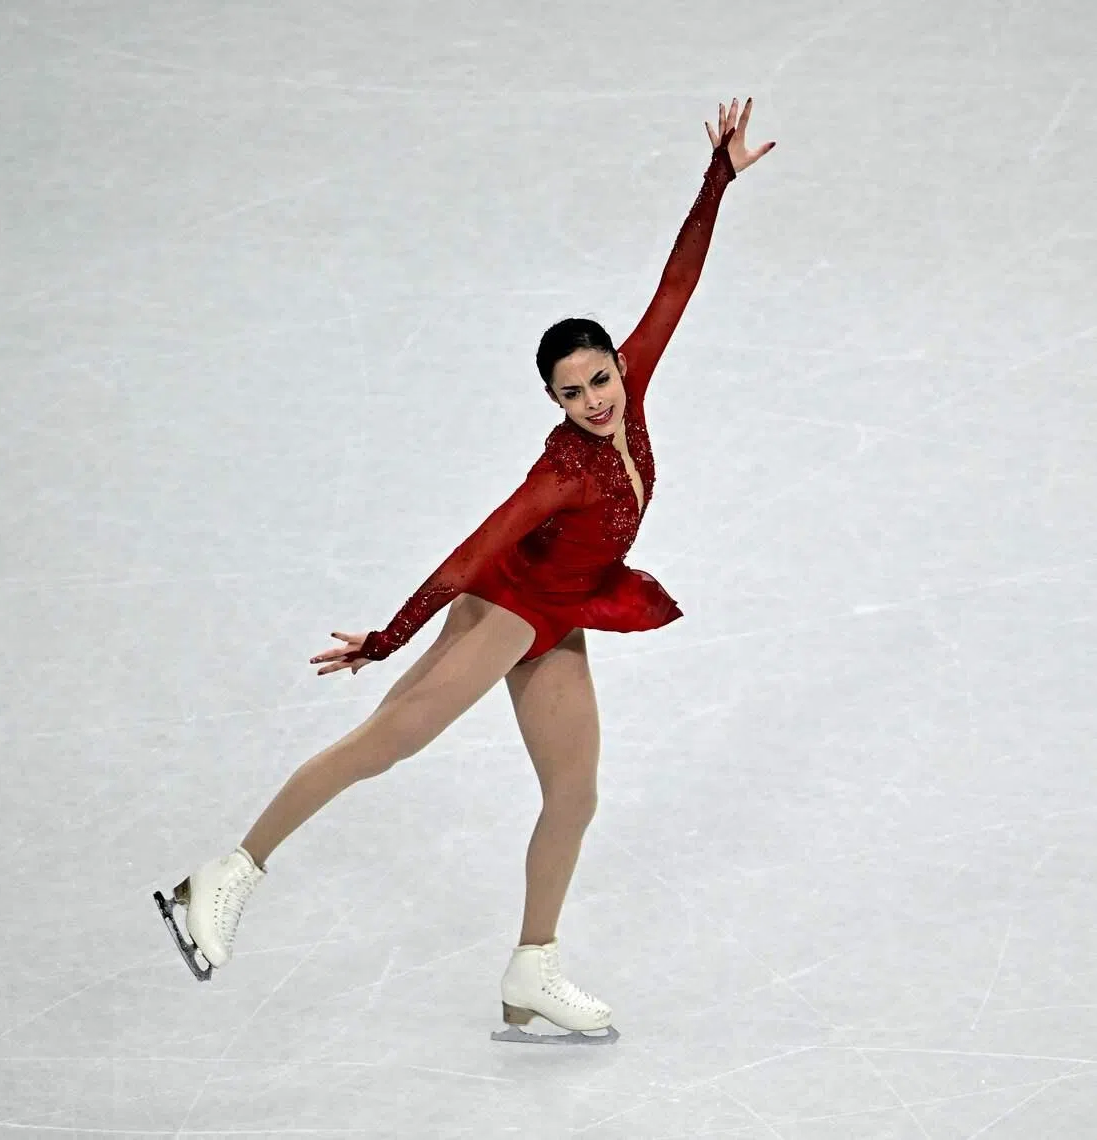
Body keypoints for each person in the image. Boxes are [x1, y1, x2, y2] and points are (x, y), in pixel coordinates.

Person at [154, 97, 775, 1042]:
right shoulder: (558, 472)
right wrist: (389, 637)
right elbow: (472, 556)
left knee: (575, 793)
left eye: (601, 378)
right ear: (552, 400)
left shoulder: (632, 385)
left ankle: (533, 969)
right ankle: (224, 876)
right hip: (508, 609)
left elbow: (675, 289)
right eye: (573, 393)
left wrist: (714, 181)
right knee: (387, 744)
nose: (597, 401)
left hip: (565, 614)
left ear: (616, 366)